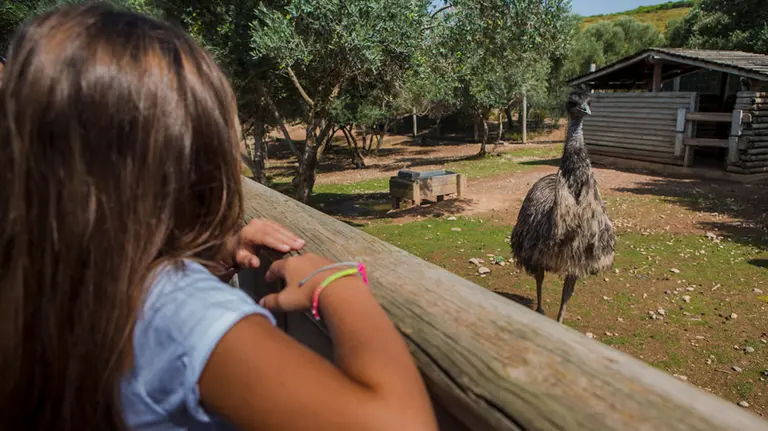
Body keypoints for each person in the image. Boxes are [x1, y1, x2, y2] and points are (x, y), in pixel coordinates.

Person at [0, 4, 437, 431]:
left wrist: (214, 249)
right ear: (195, 165)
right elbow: (403, 422)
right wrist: (336, 284)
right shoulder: (182, 312)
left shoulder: (36, 273)